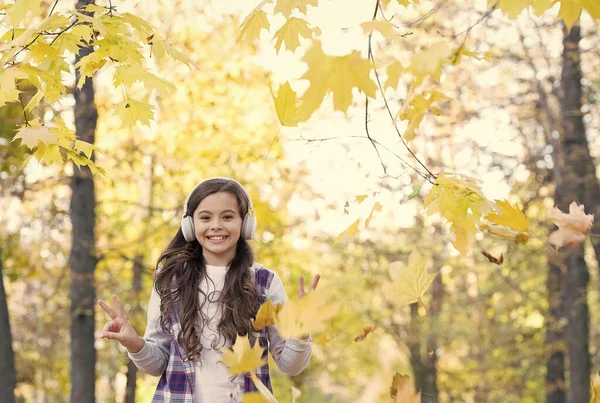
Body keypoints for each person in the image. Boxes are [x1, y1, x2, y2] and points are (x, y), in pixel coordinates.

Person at [97, 177, 320, 402]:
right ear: (191, 225)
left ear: (245, 223)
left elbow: (290, 366)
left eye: (227, 217)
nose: (216, 225)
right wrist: (133, 343)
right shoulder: (170, 281)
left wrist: (301, 333)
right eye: (205, 217)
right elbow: (157, 364)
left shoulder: (265, 282)